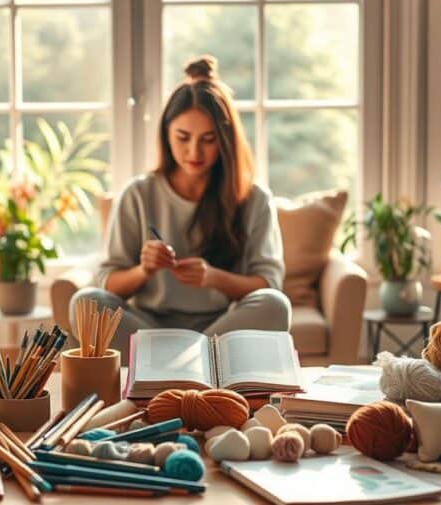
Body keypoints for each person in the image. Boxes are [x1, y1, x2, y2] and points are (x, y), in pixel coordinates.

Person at [69, 55, 290, 361]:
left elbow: (268, 284)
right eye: (183, 138)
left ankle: (175, 364)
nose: (194, 151)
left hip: (220, 328)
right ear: (166, 134)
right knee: (87, 302)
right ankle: (193, 364)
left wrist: (212, 277)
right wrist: (144, 270)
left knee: (275, 304)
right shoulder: (138, 194)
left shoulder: (253, 198)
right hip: (148, 329)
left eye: (208, 140)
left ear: (224, 141)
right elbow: (108, 282)